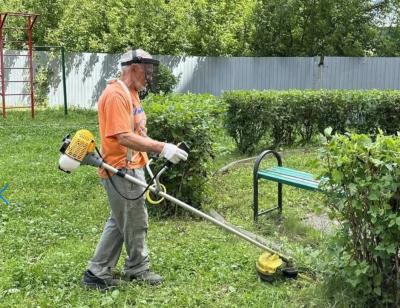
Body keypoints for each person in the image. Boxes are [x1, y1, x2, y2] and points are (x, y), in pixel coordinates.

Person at [82, 49, 188, 290]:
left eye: (151, 70)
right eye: (147, 70)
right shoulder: (115, 95)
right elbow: (122, 136)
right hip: (120, 169)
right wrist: (162, 148)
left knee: (122, 221)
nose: (150, 75)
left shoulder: (132, 94)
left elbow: (136, 132)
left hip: (133, 167)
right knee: (134, 221)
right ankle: (137, 268)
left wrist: (147, 150)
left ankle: (96, 272)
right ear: (133, 68)